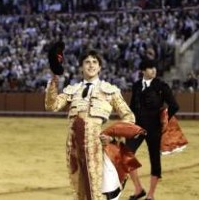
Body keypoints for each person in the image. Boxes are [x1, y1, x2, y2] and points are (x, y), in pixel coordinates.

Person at [45, 50, 137, 200]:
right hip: (73, 146)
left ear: (100, 67)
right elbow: (52, 106)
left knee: (95, 189)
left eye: (95, 62)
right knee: (79, 190)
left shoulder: (110, 91)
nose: (91, 65)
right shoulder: (72, 90)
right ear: (81, 67)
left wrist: (113, 135)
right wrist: (53, 81)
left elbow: (129, 116)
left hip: (96, 146)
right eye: (87, 62)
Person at [125, 59, 179, 200]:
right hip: (137, 127)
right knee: (126, 154)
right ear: (143, 71)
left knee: (154, 159)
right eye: (150, 68)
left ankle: (151, 194)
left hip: (154, 128)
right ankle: (138, 189)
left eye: (154, 67)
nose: (153, 70)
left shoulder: (161, 86)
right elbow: (132, 107)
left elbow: (174, 105)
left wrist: (165, 120)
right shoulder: (136, 85)